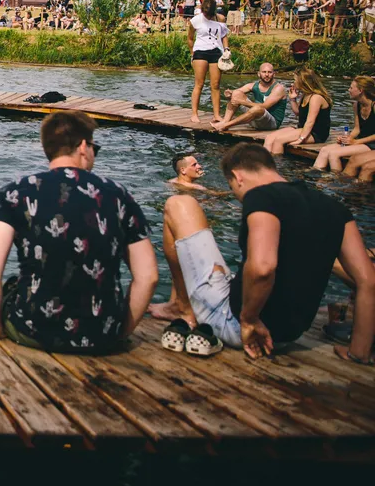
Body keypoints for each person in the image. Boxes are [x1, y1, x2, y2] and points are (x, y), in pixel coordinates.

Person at [149, 143, 373, 363]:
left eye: (232, 186)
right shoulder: (335, 207)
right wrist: (358, 352)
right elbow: (369, 281)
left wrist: (249, 319)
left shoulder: (261, 197)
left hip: (243, 327)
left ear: (238, 176)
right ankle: (360, 352)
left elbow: (263, 268)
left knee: (179, 203)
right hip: (289, 334)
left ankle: (180, 307)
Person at [0, 111, 158, 353]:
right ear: (83, 147)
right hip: (103, 334)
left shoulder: (14, 193)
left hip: (33, 330)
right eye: (95, 148)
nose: (93, 153)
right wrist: (119, 333)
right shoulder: (118, 195)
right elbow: (148, 277)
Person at [312, 76, 375, 172]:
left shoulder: (374, 106)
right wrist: (347, 138)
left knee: (334, 154)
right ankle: (315, 175)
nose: (348, 90)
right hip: (360, 142)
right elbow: (357, 129)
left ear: (361, 90)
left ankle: (336, 178)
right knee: (324, 150)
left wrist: (356, 142)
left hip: (371, 144)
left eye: (351, 88)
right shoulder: (356, 105)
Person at [264, 68, 330, 155]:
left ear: (303, 81)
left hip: (316, 133)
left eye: (295, 80)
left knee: (279, 140)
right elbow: (298, 112)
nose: (293, 83)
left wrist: (301, 139)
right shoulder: (305, 95)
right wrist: (293, 99)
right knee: (269, 138)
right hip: (302, 128)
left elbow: (310, 121)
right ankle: (264, 161)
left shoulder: (316, 98)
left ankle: (277, 162)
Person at [211, 63, 287, 133]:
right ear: (259, 74)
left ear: (274, 74)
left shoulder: (279, 88)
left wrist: (241, 102)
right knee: (236, 94)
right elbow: (236, 93)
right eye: (264, 72)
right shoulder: (253, 85)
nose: (267, 75)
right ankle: (225, 121)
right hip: (255, 119)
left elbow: (265, 106)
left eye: (269, 72)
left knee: (258, 108)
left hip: (271, 124)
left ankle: (226, 125)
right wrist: (230, 93)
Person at [187, 0, 229, 124]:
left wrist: (226, 49)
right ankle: (194, 114)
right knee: (199, 84)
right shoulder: (196, 20)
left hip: (216, 52)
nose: (207, 16)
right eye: (205, 13)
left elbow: (224, 35)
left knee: (215, 85)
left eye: (209, 14)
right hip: (200, 52)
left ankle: (216, 115)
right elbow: (190, 38)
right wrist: (192, 53)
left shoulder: (220, 19)